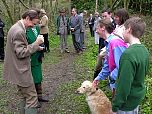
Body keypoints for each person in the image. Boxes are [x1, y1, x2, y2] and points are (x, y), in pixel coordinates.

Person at [3, 10, 44, 114]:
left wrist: (36, 48)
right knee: (32, 98)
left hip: (16, 70)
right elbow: (21, 53)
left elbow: (18, 49)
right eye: (33, 23)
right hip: (21, 70)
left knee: (24, 96)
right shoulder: (19, 31)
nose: (33, 26)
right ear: (27, 18)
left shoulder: (16, 27)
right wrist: (36, 43)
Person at [111, 17, 149, 114]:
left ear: (129, 29)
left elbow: (124, 84)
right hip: (136, 99)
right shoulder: (144, 50)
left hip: (126, 105)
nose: (122, 32)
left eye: (123, 29)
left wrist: (115, 107)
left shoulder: (128, 54)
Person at [92, 19, 128, 98]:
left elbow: (122, 66)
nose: (96, 31)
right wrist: (98, 78)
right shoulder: (109, 42)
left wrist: (112, 77)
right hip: (115, 83)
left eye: (97, 28)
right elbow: (108, 64)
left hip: (120, 84)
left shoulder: (115, 42)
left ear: (103, 28)